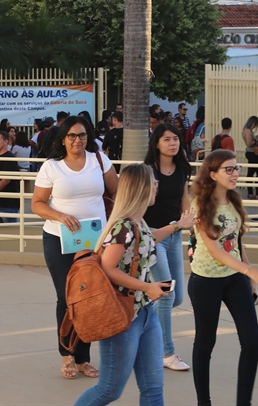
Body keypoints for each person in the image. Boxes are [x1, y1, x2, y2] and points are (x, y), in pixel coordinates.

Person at [72, 163, 194, 406]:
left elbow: (147, 240)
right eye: (153, 182)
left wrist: (177, 226)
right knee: (109, 390)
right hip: (122, 317)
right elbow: (108, 267)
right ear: (141, 188)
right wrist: (147, 287)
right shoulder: (123, 226)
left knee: (153, 389)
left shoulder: (138, 224)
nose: (157, 186)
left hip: (145, 314)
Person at [31, 115, 119, 380]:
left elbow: (117, 193)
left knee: (89, 296)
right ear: (63, 139)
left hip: (94, 241)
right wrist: (60, 216)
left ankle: (83, 358)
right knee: (66, 297)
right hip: (59, 239)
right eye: (71, 136)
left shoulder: (99, 160)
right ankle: (66, 354)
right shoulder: (52, 167)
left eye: (82, 135)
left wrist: (115, 224)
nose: (77, 140)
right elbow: (37, 204)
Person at [190, 150, 258, 406]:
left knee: (252, 341)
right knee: (205, 343)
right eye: (229, 169)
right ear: (213, 174)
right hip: (206, 280)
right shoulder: (200, 205)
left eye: (236, 168)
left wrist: (248, 274)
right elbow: (216, 251)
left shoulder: (234, 199)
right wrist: (251, 272)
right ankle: (204, 402)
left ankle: (243, 402)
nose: (235, 173)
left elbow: (237, 242)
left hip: (235, 277)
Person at [143, 122, 193, 371]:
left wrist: (191, 225)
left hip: (175, 235)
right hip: (154, 237)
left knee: (176, 297)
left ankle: (141, 326)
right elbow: (140, 204)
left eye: (176, 139)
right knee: (166, 294)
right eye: (167, 139)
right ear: (157, 143)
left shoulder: (182, 168)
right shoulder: (148, 171)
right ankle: (166, 353)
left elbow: (184, 199)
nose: (173, 143)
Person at [242, 116, 258, 200]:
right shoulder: (248, 130)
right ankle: (254, 193)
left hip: (251, 152)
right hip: (252, 152)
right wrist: (257, 139)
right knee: (255, 173)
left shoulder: (246, 130)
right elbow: (249, 143)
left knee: (251, 172)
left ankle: (251, 192)